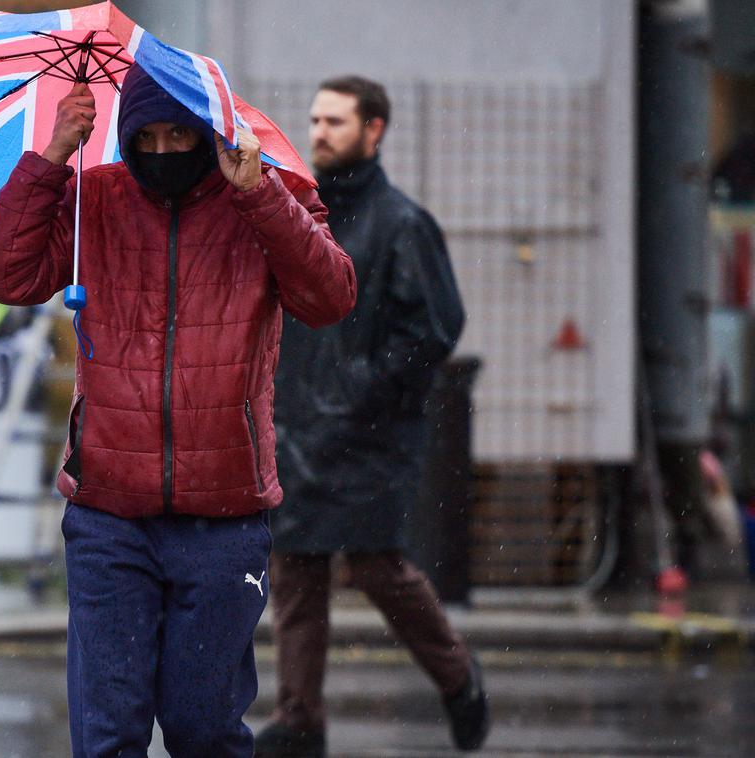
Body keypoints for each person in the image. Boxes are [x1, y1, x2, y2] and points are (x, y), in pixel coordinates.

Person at [0, 65, 356, 758]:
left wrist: (259, 195)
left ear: (206, 134)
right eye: (144, 137)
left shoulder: (266, 195)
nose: (160, 151)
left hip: (224, 518)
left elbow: (329, 298)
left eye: (177, 134)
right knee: (108, 732)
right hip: (107, 516)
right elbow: (6, 276)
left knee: (203, 729)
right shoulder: (97, 201)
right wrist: (52, 155)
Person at [253, 76, 488, 757]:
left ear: (374, 129)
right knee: (296, 570)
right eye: (315, 119)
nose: (318, 132)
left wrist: (363, 387)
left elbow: (435, 329)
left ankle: (456, 675)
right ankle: (301, 720)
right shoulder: (306, 214)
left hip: (370, 433)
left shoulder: (401, 223)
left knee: (379, 566)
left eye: (335, 121)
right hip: (299, 425)